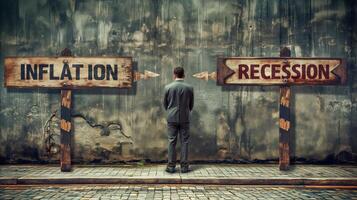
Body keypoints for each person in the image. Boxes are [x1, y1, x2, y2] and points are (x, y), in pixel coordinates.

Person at [163, 67, 194, 173]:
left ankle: (171, 166)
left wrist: (171, 111)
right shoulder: (189, 88)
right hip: (185, 117)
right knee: (185, 141)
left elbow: (165, 104)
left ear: (174, 74)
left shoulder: (168, 87)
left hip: (171, 117)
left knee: (172, 141)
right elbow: (191, 105)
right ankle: (184, 167)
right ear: (183, 75)